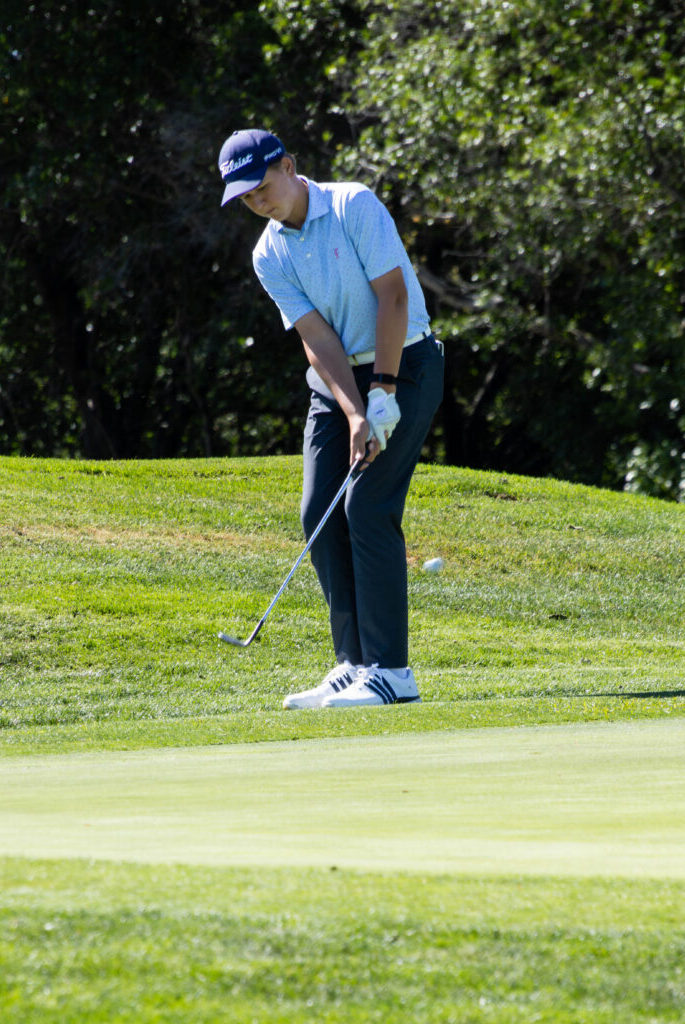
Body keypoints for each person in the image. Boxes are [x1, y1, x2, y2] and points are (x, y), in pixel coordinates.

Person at [218, 128, 444, 709]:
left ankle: (393, 673)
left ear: (289, 166)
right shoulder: (269, 253)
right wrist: (353, 409)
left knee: (366, 505)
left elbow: (393, 297)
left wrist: (384, 392)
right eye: (245, 198)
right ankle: (354, 662)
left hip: (406, 362)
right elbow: (316, 338)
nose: (258, 202)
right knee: (319, 510)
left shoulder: (352, 204)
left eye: (262, 187)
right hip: (337, 379)